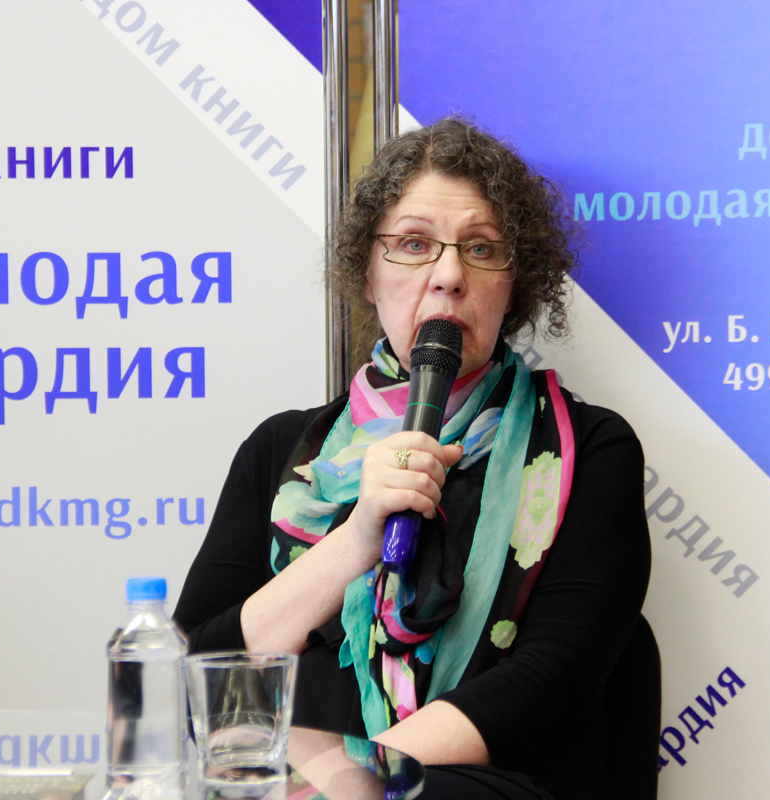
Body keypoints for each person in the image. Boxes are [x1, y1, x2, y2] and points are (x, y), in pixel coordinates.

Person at [174, 117, 651, 800]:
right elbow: (200, 683)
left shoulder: (589, 450)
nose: (449, 276)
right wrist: (356, 540)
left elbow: (553, 682)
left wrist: (352, 784)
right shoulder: (279, 451)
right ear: (367, 274)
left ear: (514, 285)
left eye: (481, 248)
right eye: (414, 244)